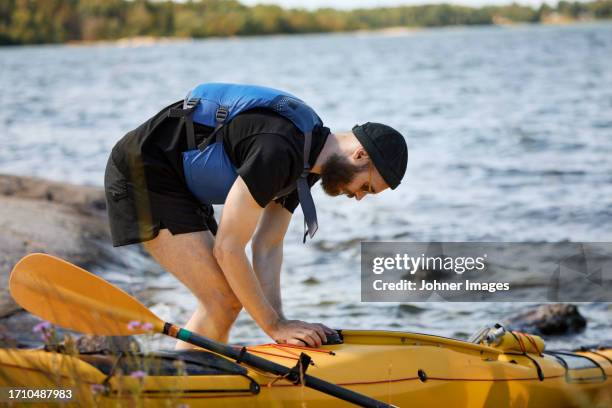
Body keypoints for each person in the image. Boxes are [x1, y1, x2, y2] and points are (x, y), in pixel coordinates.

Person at [104, 83, 408, 349]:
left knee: (225, 302)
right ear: (360, 155)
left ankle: (191, 379)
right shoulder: (278, 150)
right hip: (143, 176)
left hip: (178, 185)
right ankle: (181, 387)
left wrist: (282, 323)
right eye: (366, 186)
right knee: (223, 301)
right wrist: (274, 327)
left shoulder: (307, 160)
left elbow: (268, 244)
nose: (358, 197)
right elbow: (229, 248)